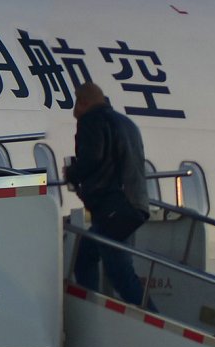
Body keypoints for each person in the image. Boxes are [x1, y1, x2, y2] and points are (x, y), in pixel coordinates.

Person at [64, 79, 153, 304]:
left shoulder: (92, 121)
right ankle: (89, 304)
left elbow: (92, 158)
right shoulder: (127, 123)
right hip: (134, 204)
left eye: (76, 105)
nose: (74, 112)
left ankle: (149, 316)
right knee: (85, 258)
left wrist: (72, 173)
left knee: (119, 273)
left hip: (114, 207)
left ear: (83, 103)